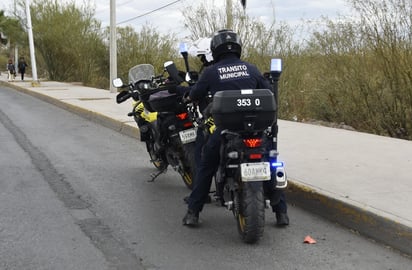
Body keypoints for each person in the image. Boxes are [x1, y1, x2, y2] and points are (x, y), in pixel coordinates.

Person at [182, 29, 289, 227]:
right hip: (254, 129)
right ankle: (281, 212)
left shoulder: (211, 72)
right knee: (270, 162)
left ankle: (193, 212)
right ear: (238, 48)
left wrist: (189, 96)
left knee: (206, 166)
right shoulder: (251, 68)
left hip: (226, 130)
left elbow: (196, 93)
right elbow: (267, 89)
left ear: (215, 50)